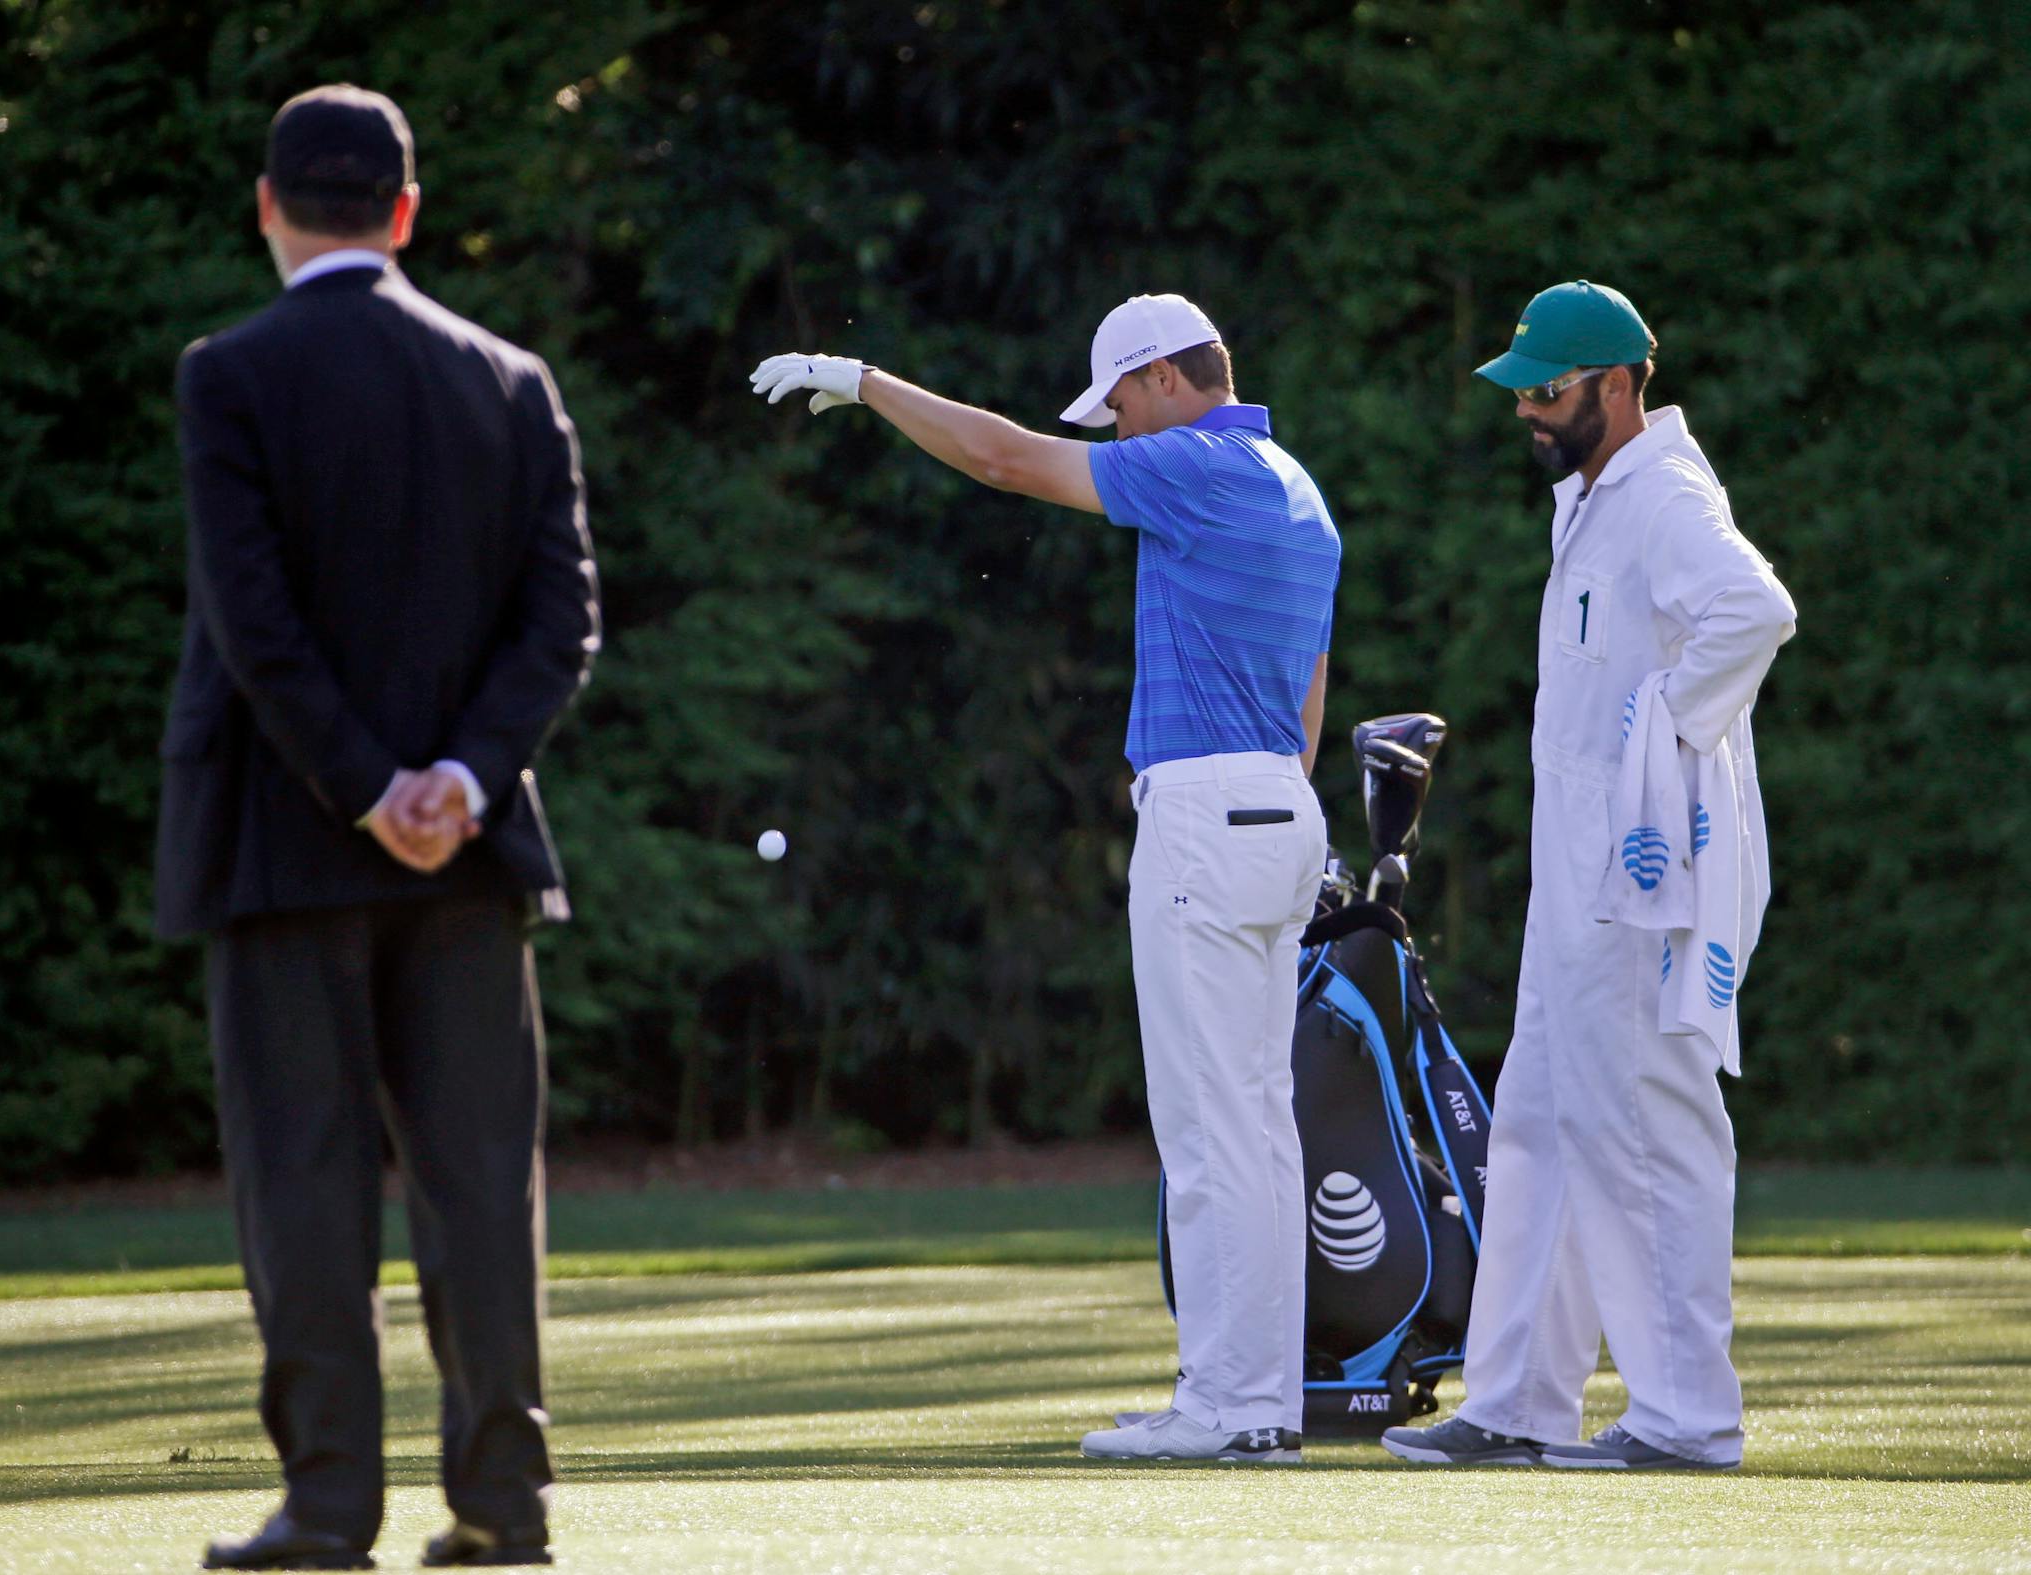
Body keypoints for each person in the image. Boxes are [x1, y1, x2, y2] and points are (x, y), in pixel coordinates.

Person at [750, 293, 1340, 1464]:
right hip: (1283, 802)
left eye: (1119, 402)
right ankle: (1257, 1398)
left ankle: (1225, 1407)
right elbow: (1313, 683)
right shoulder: (1294, 482)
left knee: (1212, 1130)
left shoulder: (1192, 464)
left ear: (1166, 378)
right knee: (1261, 1126)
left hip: (1207, 815)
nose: (1118, 430)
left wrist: (864, 380)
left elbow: (1004, 460)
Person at [156, 85, 599, 1569]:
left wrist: (363, 787)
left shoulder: (230, 375)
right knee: (482, 1181)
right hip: (471, 855)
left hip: (285, 849)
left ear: (270, 207)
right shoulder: (512, 380)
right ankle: (502, 1497)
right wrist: (455, 785)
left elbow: (254, 622)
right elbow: (562, 621)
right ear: (407, 212)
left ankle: (330, 1502)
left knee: (304, 1178)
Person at [1381, 281, 1795, 1471]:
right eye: (1522, 390)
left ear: (1619, 386)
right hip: (1585, 865)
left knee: (1645, 1121)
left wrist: (1661, 744)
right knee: (1545, 1123)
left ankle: (1685, 1419)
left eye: (1549, 389)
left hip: (1648, 866)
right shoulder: (1593, 496)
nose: (1530, 411)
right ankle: (1515, 1402)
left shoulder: (1661, 494)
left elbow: (1756, 611)